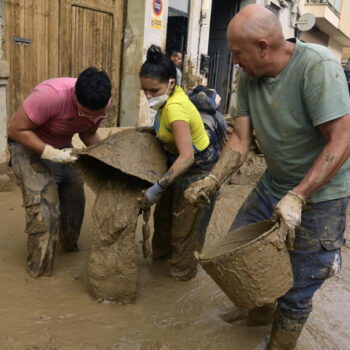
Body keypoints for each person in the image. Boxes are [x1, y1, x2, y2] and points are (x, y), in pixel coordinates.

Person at [185, 4, 350, 349]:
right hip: (274, 183)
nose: (233, 62)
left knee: (299, 285)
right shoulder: (249, 76)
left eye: (236, 54)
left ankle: (279, 343)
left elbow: (343, 139)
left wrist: (299, 196)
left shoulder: (316, 67)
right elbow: (241, 139)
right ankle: (258, 315)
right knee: (239, 251)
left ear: (262, 46)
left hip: (322, 194)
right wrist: (213, 180)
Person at [7, 67, 112, 278]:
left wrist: (107, 160)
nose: (92, 117)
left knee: (75, 199)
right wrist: (52, 154)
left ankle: (69, 248)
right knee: (45, 212)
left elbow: (88, 132)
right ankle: (40, 274)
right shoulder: (51, 96)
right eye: (85, 112)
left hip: (62, 146)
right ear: (74, 96)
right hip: (27, 145)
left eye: (97, 115)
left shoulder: (101, 102)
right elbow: (15, 129)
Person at [139, 45, 220, 281]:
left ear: (171, 83)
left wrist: (156, 188)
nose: (148, 96)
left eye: (154, 91)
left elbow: (187, 157)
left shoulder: (175, 108)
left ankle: (180, 277)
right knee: (163, 221)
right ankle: (159, 270)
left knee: (185, 232)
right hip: (177, 161)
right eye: (144, 90)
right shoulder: (168, 100)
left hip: (198, 168)